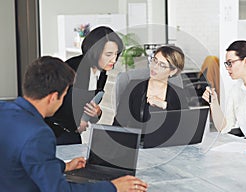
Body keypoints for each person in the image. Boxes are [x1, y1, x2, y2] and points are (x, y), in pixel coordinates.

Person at [0, 56, 148, 192]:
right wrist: (113, 187)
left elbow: (30, 159)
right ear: (53, 97)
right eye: (64, 95)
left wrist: (65, 166)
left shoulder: (4, 110)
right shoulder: (39, 134)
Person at [45, 26, 124, 145]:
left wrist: (97, 113)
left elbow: (88, 107)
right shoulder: (72, 69)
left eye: (116, 54)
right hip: (52, 134)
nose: (114, 59)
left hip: (72, 134)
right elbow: (54, 106)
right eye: (108, 54)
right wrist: (77, 121)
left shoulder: (101, 72)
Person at [113, 45, 188, 129]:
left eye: (162, 65)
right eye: (155, 61)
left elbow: (185, 127)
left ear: (173, 71)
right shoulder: (134, 87)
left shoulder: (178, 94)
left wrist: (165, 106)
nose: (155, 67)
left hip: (168, 141)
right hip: (137, 140)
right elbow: (118, 124)